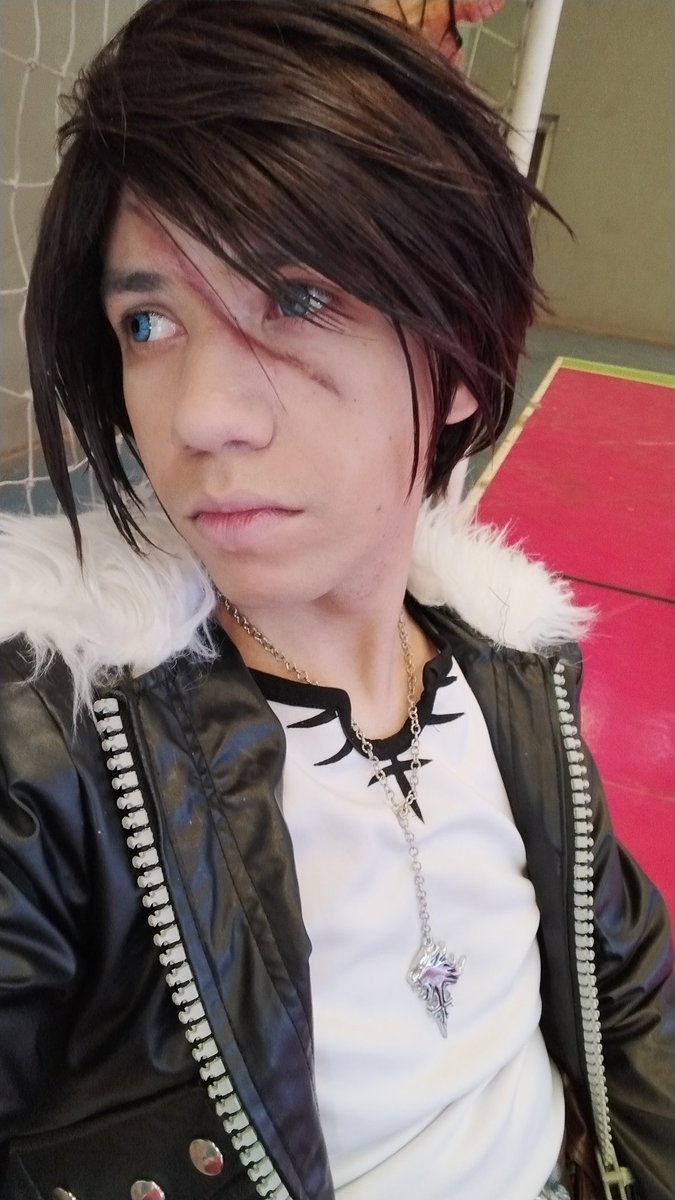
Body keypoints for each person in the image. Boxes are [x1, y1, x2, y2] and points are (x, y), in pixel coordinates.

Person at [0, 2, 672, 1198]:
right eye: (149, 322)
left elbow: (631, 986)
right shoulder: (53, 764)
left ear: (460, 359)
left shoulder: (514, 669)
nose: (202, 414)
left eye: (298, 298)